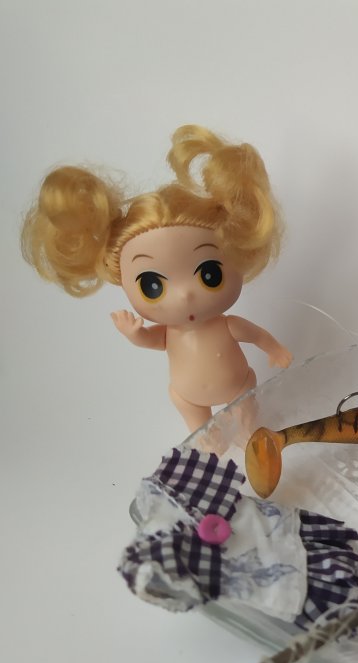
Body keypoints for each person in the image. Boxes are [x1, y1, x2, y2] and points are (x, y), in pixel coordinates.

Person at [22, 125, 291, 432]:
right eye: (153, 286)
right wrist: (134, 333)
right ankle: (204, 436)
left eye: (210, 275)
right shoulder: (169, 333)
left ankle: (249, 431)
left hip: (238, 387)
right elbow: (151, 340)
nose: (184, 295)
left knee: (249, 422)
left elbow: (256, 335)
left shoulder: (229, 325)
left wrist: (275, 349)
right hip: (188, 395)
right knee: (199, 427)